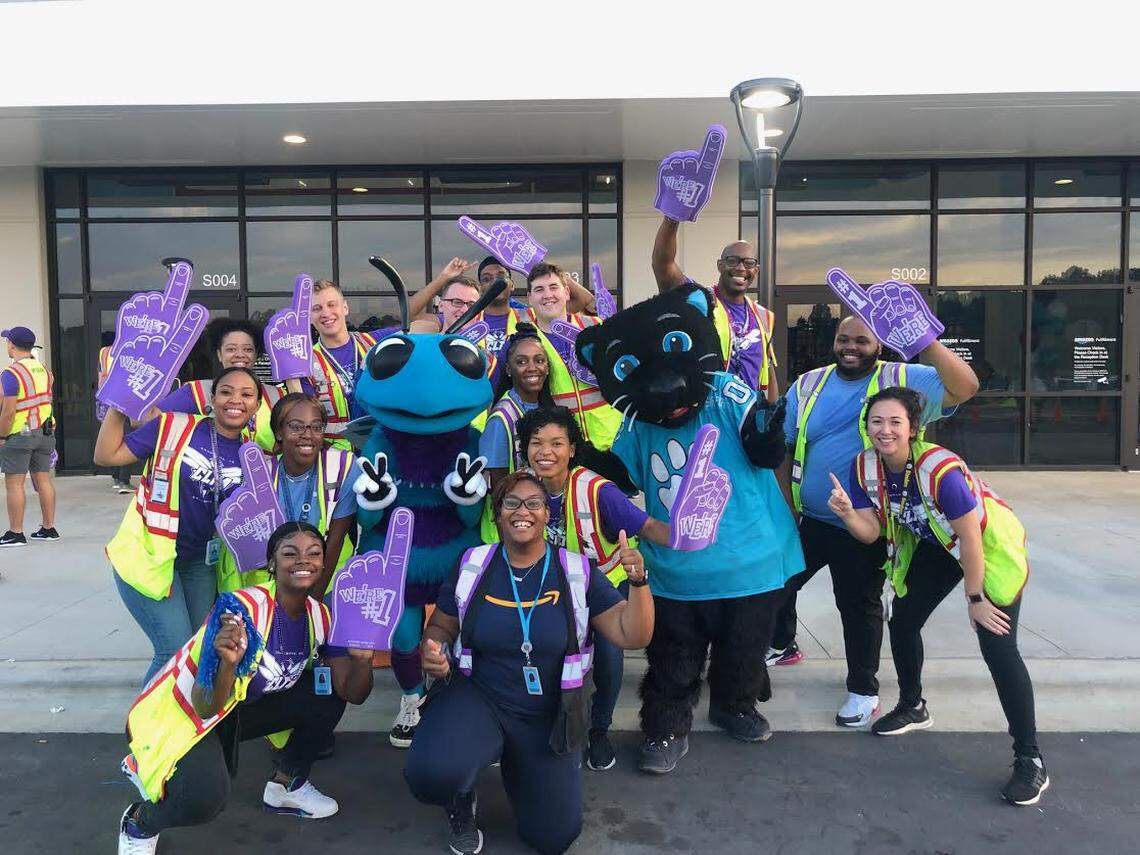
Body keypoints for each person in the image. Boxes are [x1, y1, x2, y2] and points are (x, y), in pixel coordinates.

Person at [405, 471, 654, 855]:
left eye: (534, 503)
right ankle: (460, 798)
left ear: (546, 515)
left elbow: (631, 634)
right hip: (480, 699)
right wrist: (434, 648)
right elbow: (440, 626)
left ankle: (521, 769)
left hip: (549, 713)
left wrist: (638, 581)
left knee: (553, 837)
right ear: (499, 514)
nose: (523, 511)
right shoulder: (472, 564)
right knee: (431, 774)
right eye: (512, 503)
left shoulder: (575, 570)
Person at [827, 387, 1048, 806]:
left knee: (998, 647)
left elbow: (970, 538)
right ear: (866, 426)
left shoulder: (939, 468)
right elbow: (872, 533)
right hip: (937, 546)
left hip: (987, 547)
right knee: (905, 619)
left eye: (895, 422)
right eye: (877, 422)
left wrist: (976, 598)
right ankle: (913, 705)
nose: (885, 430)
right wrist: (848, 514)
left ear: (913, 428)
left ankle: (1030, 758)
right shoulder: (866, 466)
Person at [116, 522, 376, 854]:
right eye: (290, 553)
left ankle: (287, 785)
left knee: (324, 694)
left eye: (314, 553)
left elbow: (351, 692)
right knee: (204, 798)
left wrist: (364, 658)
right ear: (271, 562)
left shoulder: (321, 616)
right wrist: (227, 662)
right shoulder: (240, 610)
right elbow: (204, 704)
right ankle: (140, 822)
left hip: (239, 710)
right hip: (189, 714)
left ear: (324, 563)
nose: (303, 561)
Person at [770, 315, 978, 728]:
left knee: (857, 605)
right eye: (843, 339)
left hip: (865, 523)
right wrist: (784, 511)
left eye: (862, 340)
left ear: (879, 345)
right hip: (811, 518)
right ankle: (781, 644)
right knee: (775, 584)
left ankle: (863, 691)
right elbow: (786, 448)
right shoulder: (809, 383)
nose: (851, 346)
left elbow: (966, 387)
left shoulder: (905, 377)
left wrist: (925, 340)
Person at [517, 405, 671, 772]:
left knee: (609, 652)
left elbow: (647, 525)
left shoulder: (597, 490)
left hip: (598, 586)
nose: (545, 452)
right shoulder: (520, 487)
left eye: (556, 443)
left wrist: (686, 538)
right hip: (547, 588)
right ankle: (538, 721)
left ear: (572, 449)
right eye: (536, 443)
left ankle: (599, 728)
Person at [96, 366, 261, 684]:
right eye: (226, 392)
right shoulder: (173, 427)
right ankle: (146, 731)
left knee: (199, 649)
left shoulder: (253, 454)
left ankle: (183, 729)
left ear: (256, 405)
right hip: (149, 556)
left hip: (199, 563)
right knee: (172, 651)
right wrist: (120, 402)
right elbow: (106, 455)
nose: (235, 400)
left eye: (246, 394)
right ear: (212, 399)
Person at [652, 220, 779, 403]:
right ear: (720, 265)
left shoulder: (763, 316)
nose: (741, 268)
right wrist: (672, 218)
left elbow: (768, 369)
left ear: (756, 270)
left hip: (746, 418)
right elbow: (663, 266)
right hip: (708, 414)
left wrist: (772, 416)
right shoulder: (700, 301)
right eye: (732, 261)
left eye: (749, 263)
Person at [513, 262, 622, 450]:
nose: (548, 295)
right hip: (565, 447)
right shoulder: (526, 341)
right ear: (529, 298)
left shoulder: (595, 327)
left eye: (554, 287)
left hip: (615, 439)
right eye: (539, 290)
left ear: (567, 292)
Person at [156, 318, 281, 452]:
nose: (240, 355)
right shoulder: (196, 391)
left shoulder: (276, 396)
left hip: (264, 472)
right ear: (219, 354)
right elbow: (150, 420)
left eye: (248, 349)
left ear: (256, 355)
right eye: (231, 349)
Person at [0, 326, 59, 546]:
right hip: (44, 433)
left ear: (12, 345)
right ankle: (48, 528)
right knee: (43, 479)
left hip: (20, 434)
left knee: (14, 484)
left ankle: (16, 533)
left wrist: (1, 436)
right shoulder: (43, 369)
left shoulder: (10, 373)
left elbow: (8, 411)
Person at [306, 279, 379, 442]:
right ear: (309, 317)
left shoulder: (375, 342)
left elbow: (420, 325)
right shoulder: (305, 364)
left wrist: (443, 282)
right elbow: (307, 421)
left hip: (380, 451)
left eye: (332, 305)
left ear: (345, 307)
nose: (325, 313)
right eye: (317, 309)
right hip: (337, 461)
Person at [98, 332, 134, 493]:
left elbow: (101, 374)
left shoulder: (103, 352)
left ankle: (116, 477)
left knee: (112, 437)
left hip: (105, 398)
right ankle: (124, 481)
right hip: (122, 400)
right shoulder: (127, 352)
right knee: (126, 440)